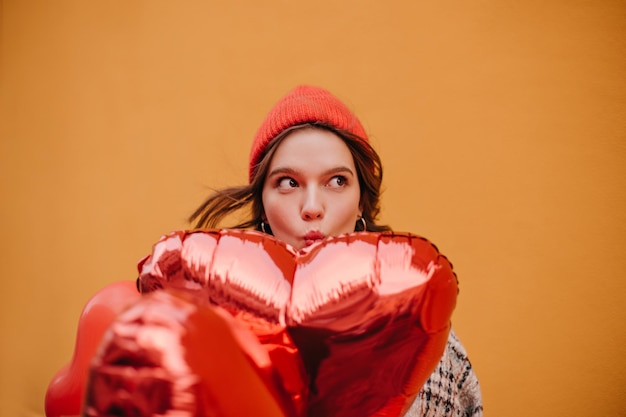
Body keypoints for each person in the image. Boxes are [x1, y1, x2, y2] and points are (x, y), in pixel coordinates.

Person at [189, 85, 483, 417]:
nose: (312, 207)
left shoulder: (423, 333)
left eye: (337, 181)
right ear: (263, 208)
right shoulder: (211, 324)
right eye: (288, 182)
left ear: (361, 203)